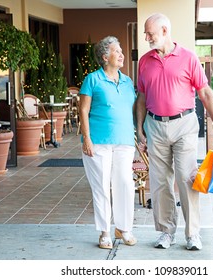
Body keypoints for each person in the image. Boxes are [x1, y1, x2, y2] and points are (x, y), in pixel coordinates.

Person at [136, 13, 213, 250]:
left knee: (187, 178)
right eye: (146, 33)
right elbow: (142, 97)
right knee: (159, 182)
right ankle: (166, 232)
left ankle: (192, 233)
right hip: (155, 126)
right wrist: (139, 129)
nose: (146, 37)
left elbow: (205, 93)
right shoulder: (145, 61)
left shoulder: (188, 57)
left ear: (165, 31)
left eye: (150, 33)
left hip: (184, 124)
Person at [79, 36, 137, 249]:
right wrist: (87, 138)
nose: (121, 54)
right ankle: (104, 231)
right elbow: (83, 110)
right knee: (102, 186)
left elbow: (131, 109)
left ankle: (123, 228)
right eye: (116, 51)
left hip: (124, 140)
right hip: (98, 141)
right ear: (105, 57)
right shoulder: (92, 79)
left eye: (121, 50)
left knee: (124, 183)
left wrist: (139, 135)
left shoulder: (127, 81)